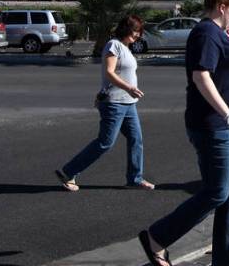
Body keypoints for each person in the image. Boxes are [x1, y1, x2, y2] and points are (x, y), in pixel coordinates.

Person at [138, 0, 229, 266]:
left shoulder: (217, 34)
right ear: (221, 7)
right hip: (214, 126)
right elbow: (201, 77)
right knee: (217, 191)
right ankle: (157, 237)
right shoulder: (206, 33)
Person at [55, 15, 155, 192]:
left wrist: (129, 92)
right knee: (105, 142)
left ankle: (135, 178)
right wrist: (129, 88)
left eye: (139, 32)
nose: (138, 35)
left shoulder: (126, 48)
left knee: (136, 139)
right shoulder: (114, 45)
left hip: (129, 104)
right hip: (114, 103)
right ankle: (68, 172)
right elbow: (109, 72)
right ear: (125, 29)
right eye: (135, 31)